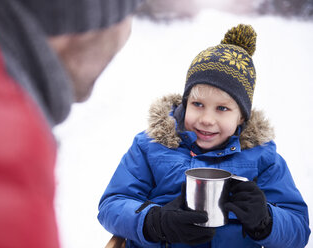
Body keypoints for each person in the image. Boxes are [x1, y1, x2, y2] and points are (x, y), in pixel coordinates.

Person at [0, 0, 144, 247]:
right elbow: (113, 205)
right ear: (89, 19)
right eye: (130, 10)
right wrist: (155, 221)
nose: (127, 33)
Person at [98, 24, 311, 247]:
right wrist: (155, 222)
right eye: (198, 104)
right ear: (185, 103)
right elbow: (112, 205)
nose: (207, 119)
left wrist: (265, 220)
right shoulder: (150, 146)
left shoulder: (263, 158)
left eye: (222, 108)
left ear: (241, 117)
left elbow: (298, 229)